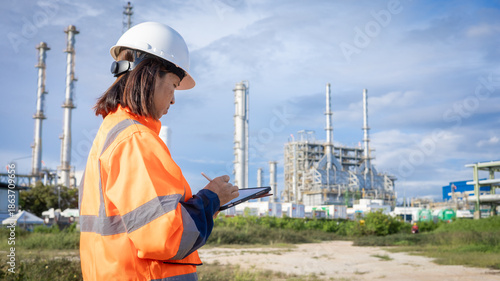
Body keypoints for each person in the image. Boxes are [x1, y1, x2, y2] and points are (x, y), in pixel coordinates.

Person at [79, 21, 239, 281]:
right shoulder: (135, 140)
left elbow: (146, 222)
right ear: (150, 74)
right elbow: (166, 237)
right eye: (175, 85)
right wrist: (211, 198)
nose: (174, 99)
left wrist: (210, 203)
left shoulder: (113, 133)